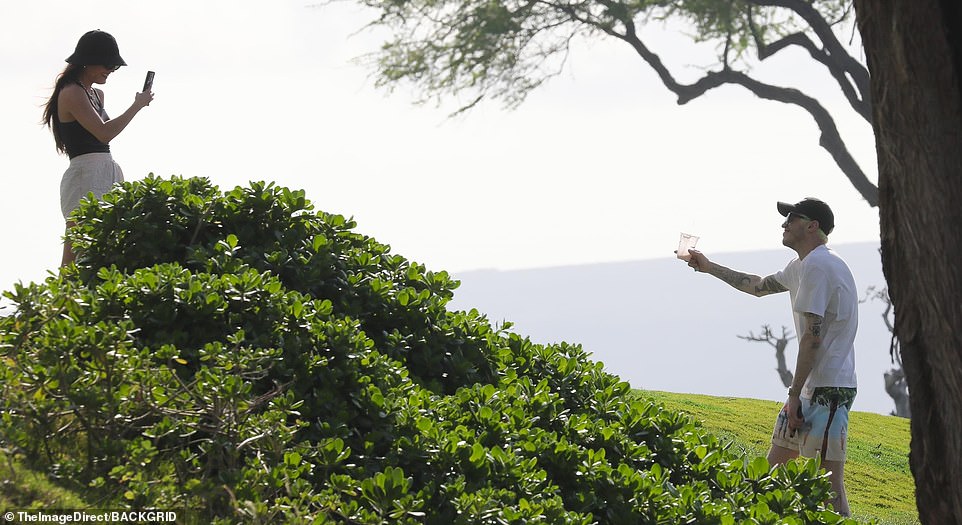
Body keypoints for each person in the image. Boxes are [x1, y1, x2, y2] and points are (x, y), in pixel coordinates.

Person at [683, 198, 858, 516]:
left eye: (791, 218)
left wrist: (793, 394)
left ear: (811, 226)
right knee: (770, 473)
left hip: (830, 388)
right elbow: (758, 286)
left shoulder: (820, 265)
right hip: (810, 389)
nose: (784, 223)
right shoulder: (802, 266)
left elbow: (812, 338)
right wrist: (708, 267)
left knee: (829, 486)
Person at [42, 30, 154, 266]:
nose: (111, 70)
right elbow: (104, 133)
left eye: (114, 66)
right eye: (108, 64)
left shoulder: (96, 94)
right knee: (74, 255)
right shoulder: (71, 92)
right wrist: (137, 105)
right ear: (88, 61)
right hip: (85, 175)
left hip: (106, 170)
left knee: (104, 251)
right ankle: (61, 302)